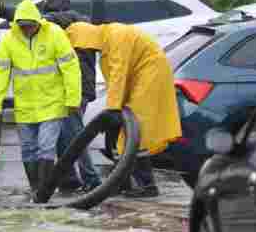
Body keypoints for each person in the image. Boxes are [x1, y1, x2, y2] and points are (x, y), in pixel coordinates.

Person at [65, 21, 183, 198]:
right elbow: (114, 79)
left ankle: (147, 185)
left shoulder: (116, 36)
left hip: (151, 74)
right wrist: (113, 109)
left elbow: (119, 73)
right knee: (122, 130)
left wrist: (113, 109)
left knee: (136, 128)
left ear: (86, 38)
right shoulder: (106, 46)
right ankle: (122, 183)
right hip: (140, 76)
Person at [0, 0, 82, 195]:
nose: (26, 30)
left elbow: (71, 68)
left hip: (52, 103)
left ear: (38, 23)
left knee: (46, 148)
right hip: (25, 106)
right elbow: (0, 74)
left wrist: (73, 99)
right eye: (22, 26)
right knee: (28, 151)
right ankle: (36, 190)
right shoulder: (9, 40)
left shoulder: (55, 34)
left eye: (29, 26)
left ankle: (44, 193)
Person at [37, 0, 103, 193]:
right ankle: (68, 178)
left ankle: (91, 179)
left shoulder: (74, 21)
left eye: (48, 4)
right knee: (62, 135)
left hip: (76, 90)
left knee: (75, 136)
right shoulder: (74, 25)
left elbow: (52, 18)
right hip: (73, 88)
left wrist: (36, 16)